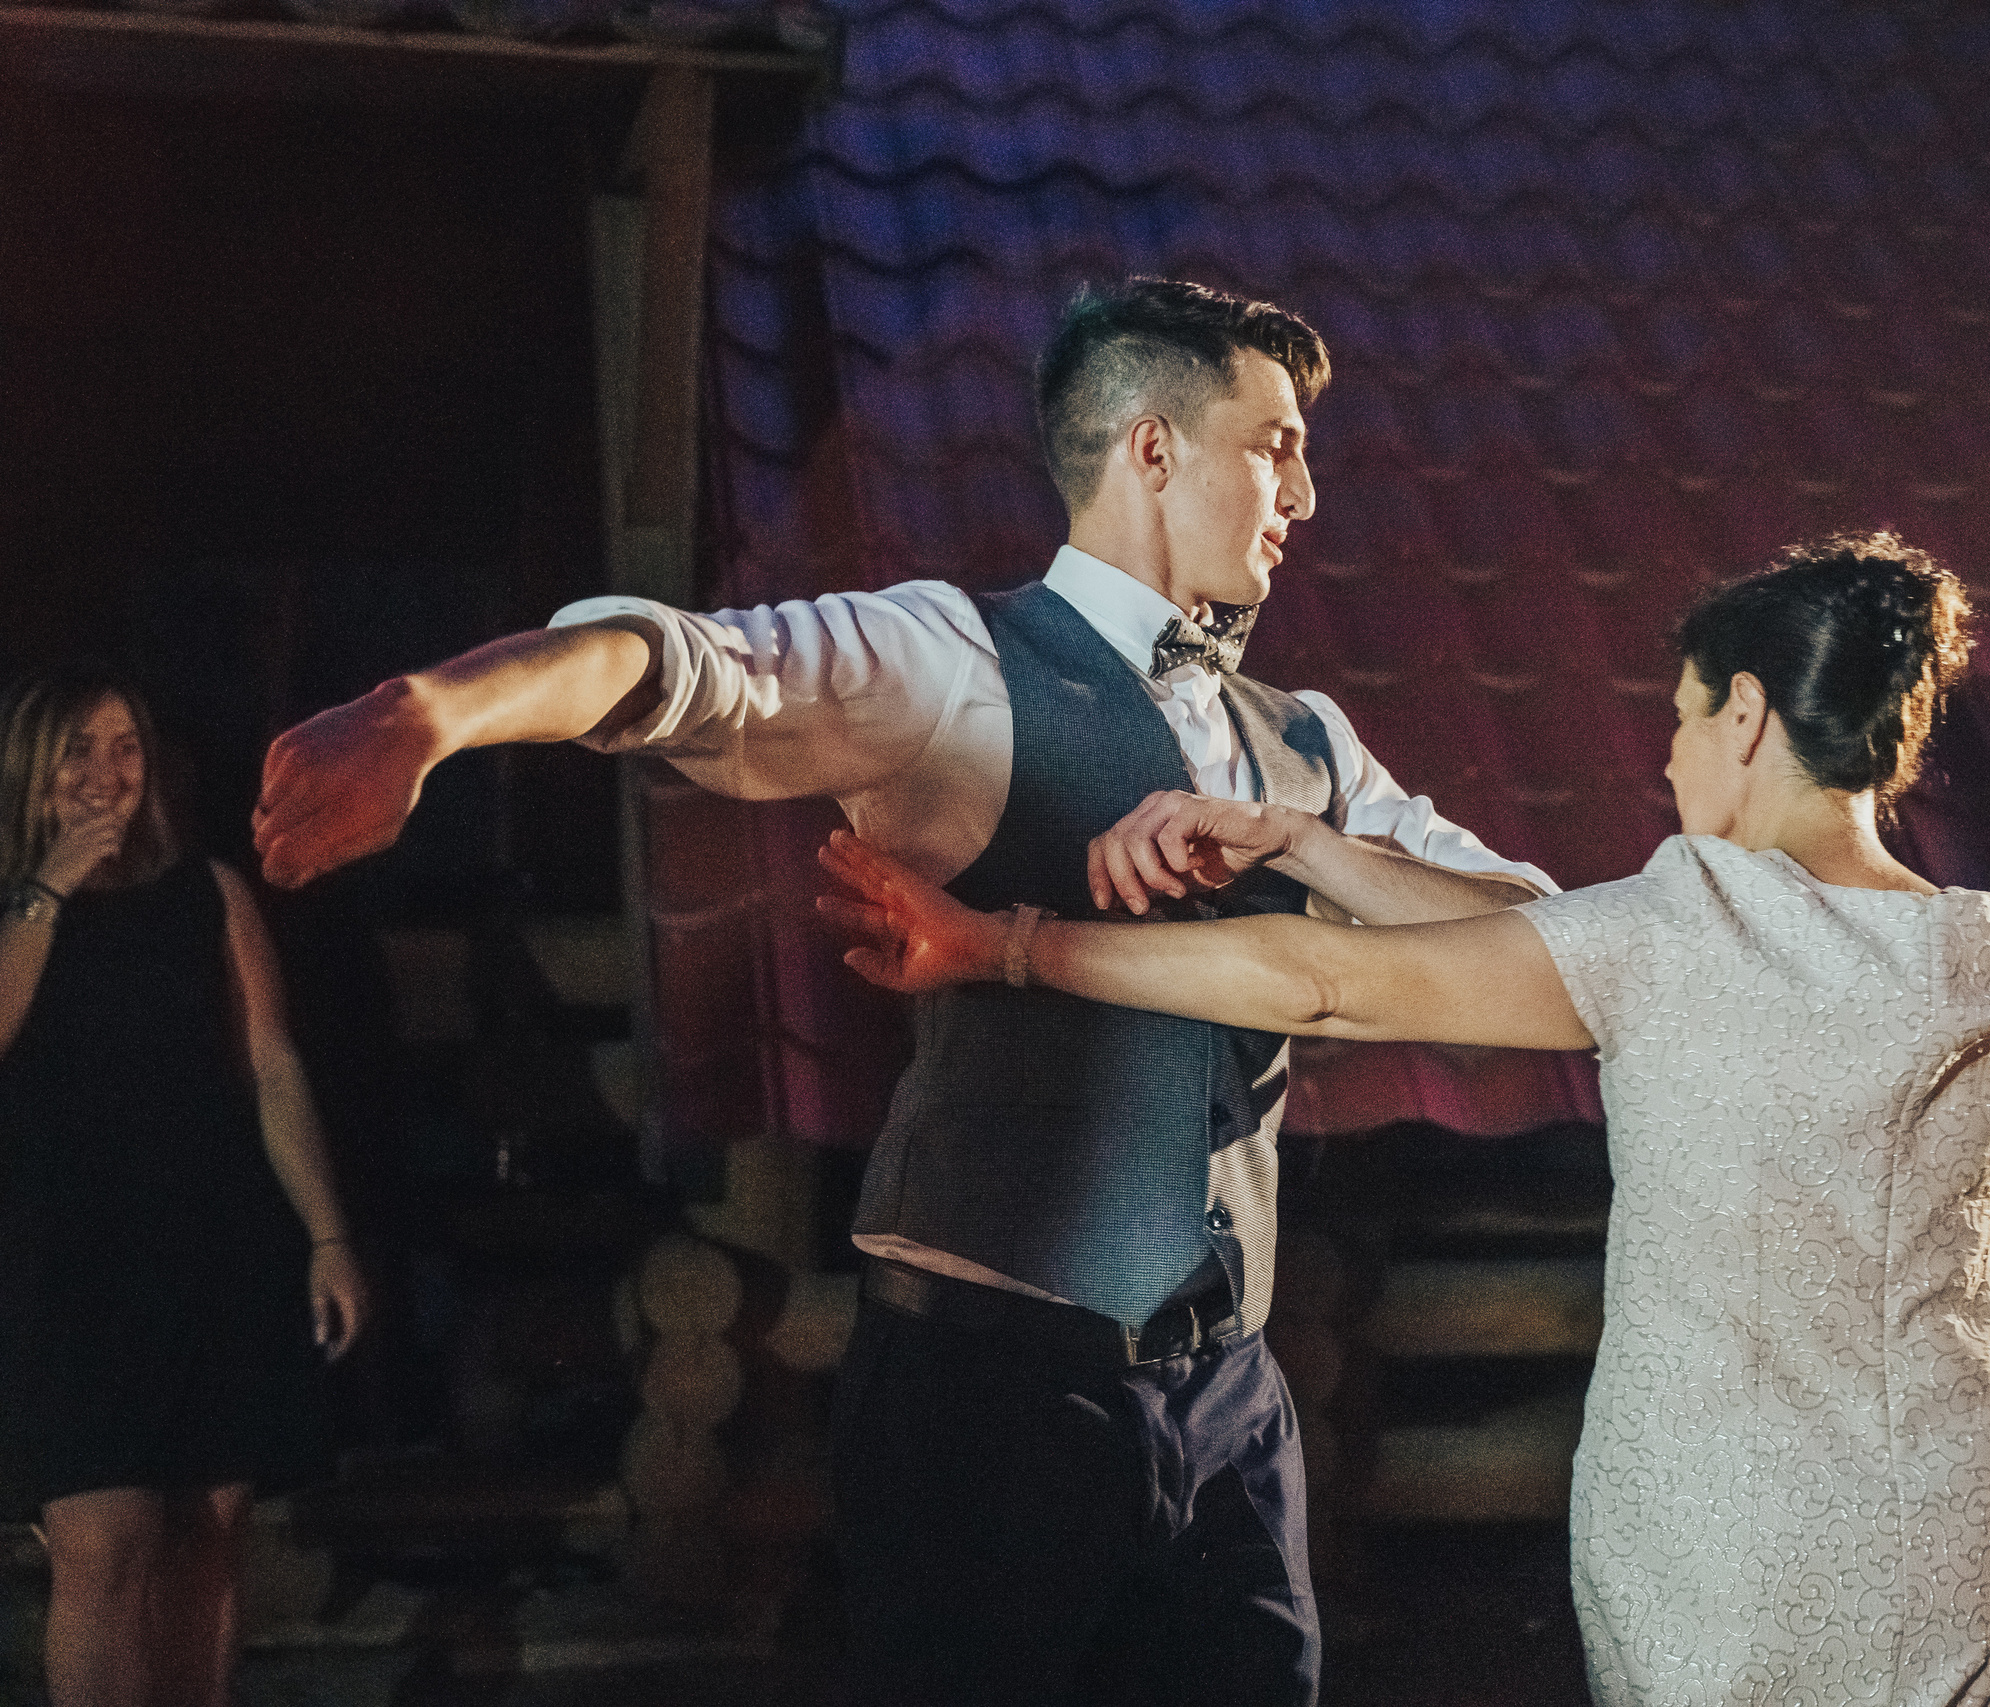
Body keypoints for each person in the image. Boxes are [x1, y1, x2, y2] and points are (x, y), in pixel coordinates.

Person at [250, 277, 1555, 1704]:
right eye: (1274, 445)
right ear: (1153, 448)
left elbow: (1544, 938)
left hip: (1228, 1396)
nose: (1303, 491)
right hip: (996, 1388)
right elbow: (688, 666)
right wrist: (432, 711)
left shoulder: (1308, 744)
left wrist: (1305, 843)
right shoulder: (951, 659)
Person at [815, 533, 1990, 1707]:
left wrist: (1003, 945)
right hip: (1951, 1531)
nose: (1671, 762)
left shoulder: (1680, 928)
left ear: (1744, 714)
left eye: (1681, 720)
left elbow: (1320, 980)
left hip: (1721, 1544)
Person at [0, 665, 368, 1707]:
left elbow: (272, 1067)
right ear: (31, 765)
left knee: (209, 1529)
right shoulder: (15, 907)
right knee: (103, 1537)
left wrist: (328, 1235)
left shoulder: (208, 895)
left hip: (212, 1240)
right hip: (64, 1262)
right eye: (79, 750)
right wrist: (50, 887)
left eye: (126, 748)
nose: (106, 773)